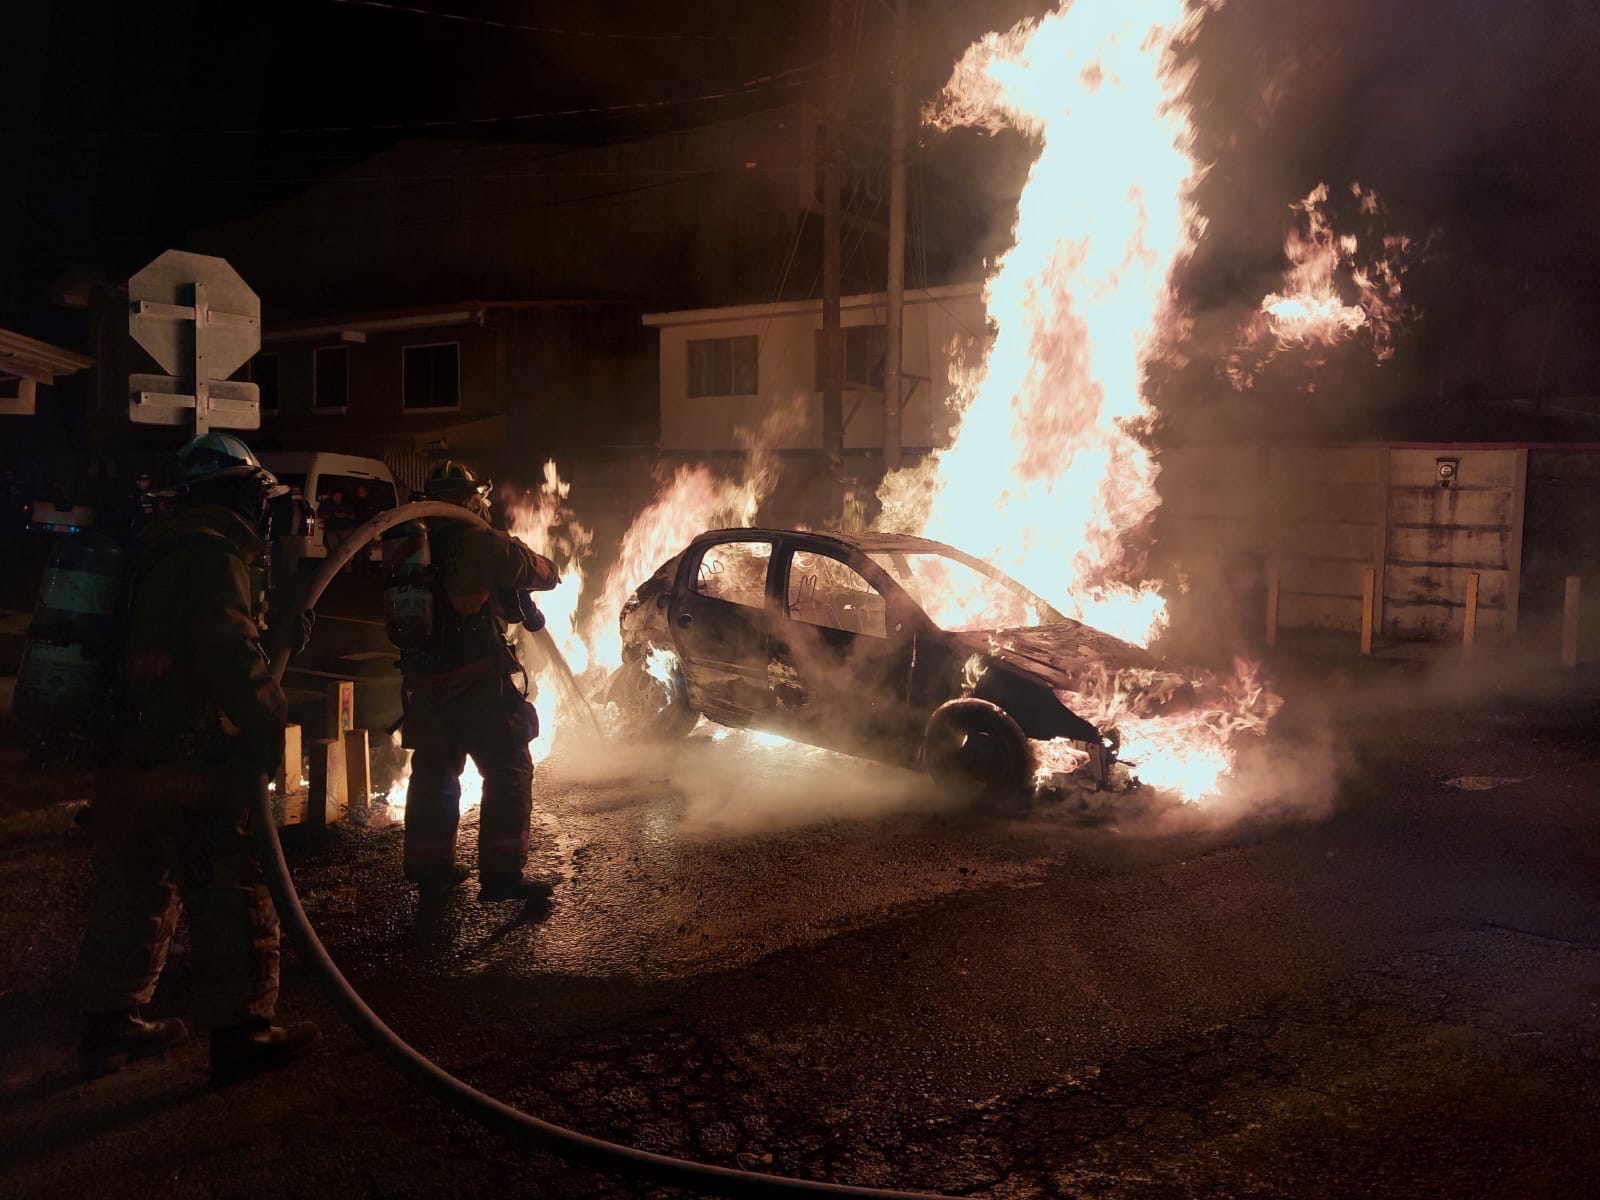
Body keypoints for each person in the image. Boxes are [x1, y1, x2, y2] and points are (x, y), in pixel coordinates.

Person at [74, 431, 319, 1082]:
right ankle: (243, 1035)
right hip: (184, 756)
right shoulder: (213, 551)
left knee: (136, 888)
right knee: (232, 887)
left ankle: (109, 1028)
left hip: (125, 752)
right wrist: (270, 721)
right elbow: (226, 653)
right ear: (238, 493)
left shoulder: (152, 549)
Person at [398, 460, 559, 901]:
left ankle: (432, 870)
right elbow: (543, 572)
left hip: (424, 683)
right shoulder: (480, 541)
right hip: (476, 683)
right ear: (470, 499)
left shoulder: (412, 543)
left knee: (434, 771)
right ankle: (503, 875)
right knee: (508, 765)